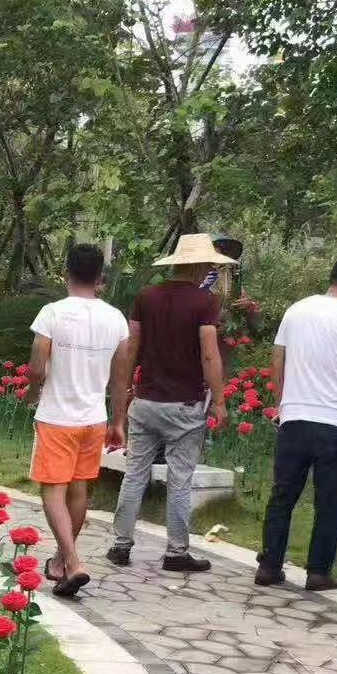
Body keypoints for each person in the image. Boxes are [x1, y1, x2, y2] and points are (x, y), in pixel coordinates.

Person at [255, 253, 337, 591]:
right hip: (334, 424)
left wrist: (282, 403)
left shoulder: (297, 310)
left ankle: (269, 565)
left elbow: (277, 359)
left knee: (283, 494)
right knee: (329, 500)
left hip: (294, 419)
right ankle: (318, 572)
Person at [106, 233, 232, 572]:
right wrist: (219, 401)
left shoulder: (146, 296)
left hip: (146, 401)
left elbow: (132, 348)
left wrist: (126, 391)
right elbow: (209, 354)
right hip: (184, 406)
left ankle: (120, 545)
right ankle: (176, 553)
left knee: (135, 475)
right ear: (200, 265)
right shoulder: (204, 302)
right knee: (179, 480)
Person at [27, 244, 131, 597]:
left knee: (53, 491)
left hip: (57, 417)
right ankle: (59, 562)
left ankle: (73, 563)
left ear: (66, 273)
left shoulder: (52, 313)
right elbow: (120, 377)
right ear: (100, 277)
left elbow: (37, 367)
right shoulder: (115, 319)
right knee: (79, 489)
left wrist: (31, 393)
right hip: (94, 418)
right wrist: (118, 421)